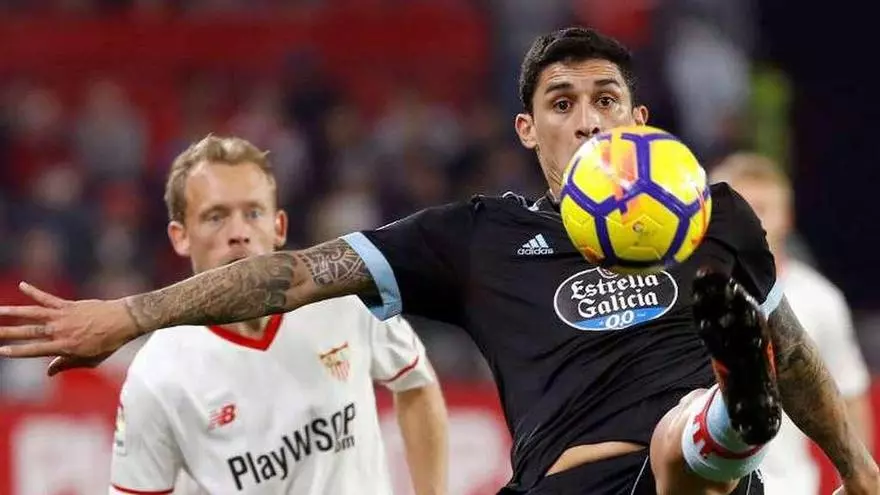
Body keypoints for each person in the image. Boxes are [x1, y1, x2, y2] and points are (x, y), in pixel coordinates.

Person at [0, 27, 877, 495]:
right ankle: (732, 416)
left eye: (606, 99)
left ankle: (731, 414)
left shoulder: (714, 215)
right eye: (561, 103)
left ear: (638, 120)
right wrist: (129, 314)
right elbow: (291, 273)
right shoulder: (475, 236)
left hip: (690, 468)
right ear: (527, 130)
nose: (587, 119)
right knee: (696, 448)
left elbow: (791, 346)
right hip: (568, 481)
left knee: (685, 447)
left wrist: (858, 466)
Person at [106, 136, 448, 494]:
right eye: (215, 217)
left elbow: (416, 385)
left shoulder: (343, 296)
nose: (239, 233)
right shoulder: (157, 373)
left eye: (253, 213)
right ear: (181, 237)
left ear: (279, 227)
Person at [711, 152, 875, 495]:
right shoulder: (682, 296)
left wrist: (860, 482)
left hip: (790, 487)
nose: (749, 220)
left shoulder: (820, 299)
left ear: (787, 217)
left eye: (761, 208)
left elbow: (851, 397)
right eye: (738, 208)